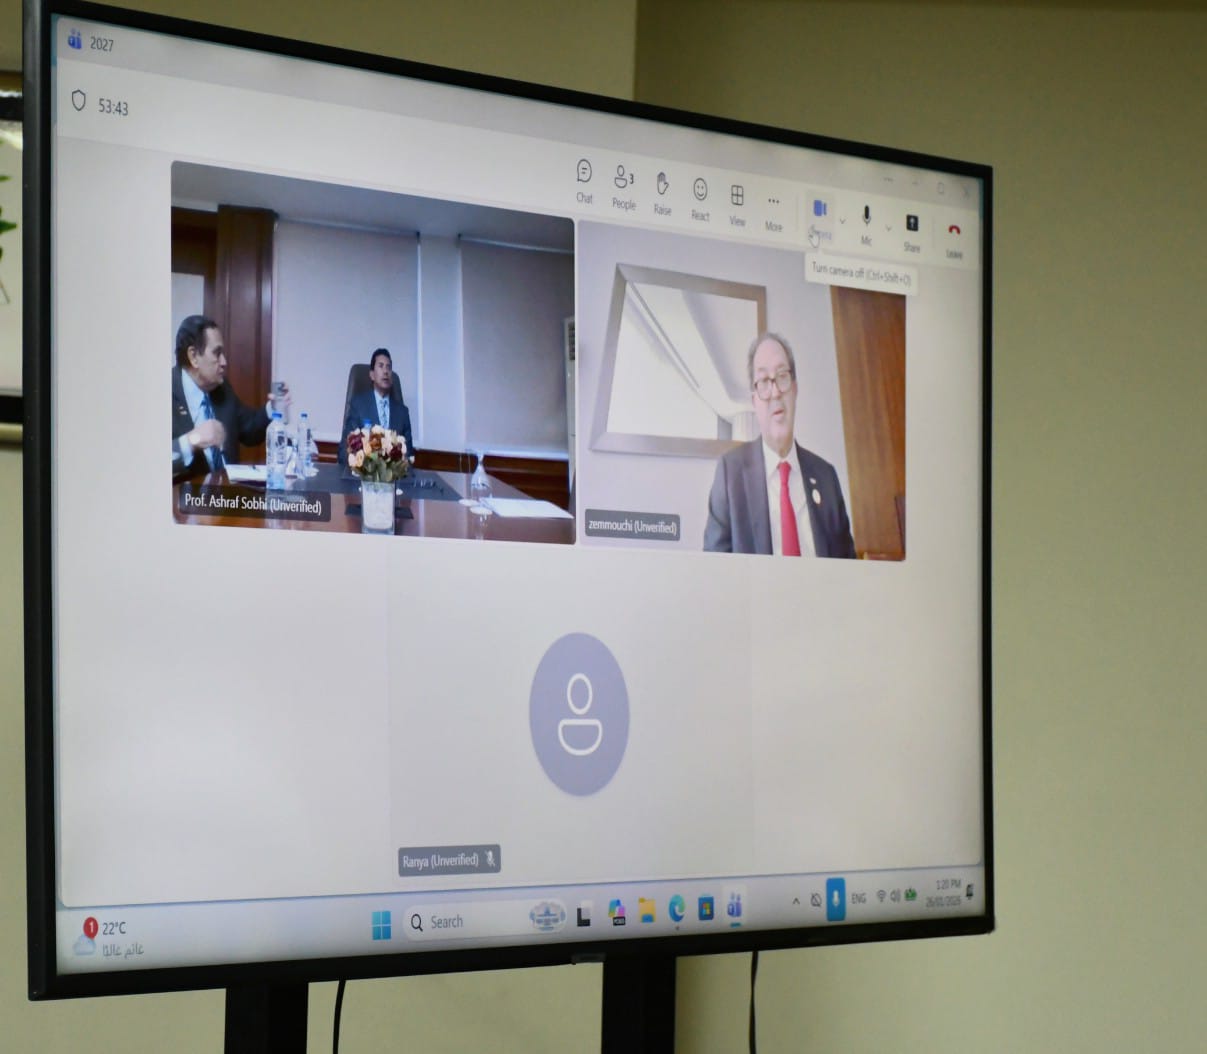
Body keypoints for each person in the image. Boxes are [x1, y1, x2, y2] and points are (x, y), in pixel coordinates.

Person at [703, 332, 856, 558]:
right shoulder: (730, 474)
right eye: (764, 381)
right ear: (754, 400)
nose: (775, 392)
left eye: (782, 376)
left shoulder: (827, 477)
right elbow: (714, 570)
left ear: (794, 389)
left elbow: (848, 568)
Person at [171, 315, 286, 479]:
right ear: (194, 356)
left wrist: (272, 408)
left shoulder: (221, 388)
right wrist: (193, 440)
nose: (224, 362)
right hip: (187, 494)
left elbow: (249, 430)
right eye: (217, 353)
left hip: (229, 490)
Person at [343, 348, 414, 462]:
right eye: (381, 366)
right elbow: (345, 449)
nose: (385, 371)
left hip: (394, 472)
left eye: (388, 367)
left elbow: (409, 456)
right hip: (365, 471)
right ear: (372, 375)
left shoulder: (402, 413)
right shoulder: (358, 406)